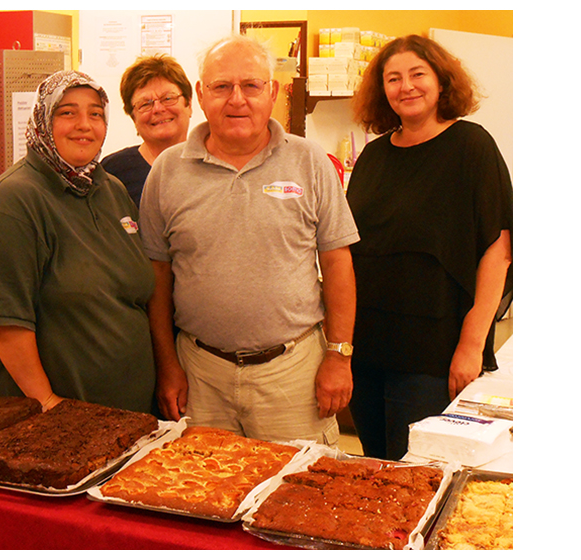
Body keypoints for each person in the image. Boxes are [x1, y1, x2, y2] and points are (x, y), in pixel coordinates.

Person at [138, 35, 360, 445]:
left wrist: (338, 355)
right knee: (202, 495)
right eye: (222, 87)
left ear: (272, 92)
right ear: (202, 95)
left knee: (298, 498)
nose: (236, 99)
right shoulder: (168, 171)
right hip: (200, 375)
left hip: (293, 374)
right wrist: (167, 365)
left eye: (251, 85)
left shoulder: (309, 161)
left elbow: (337, 262)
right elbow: (157, 276)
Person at [346, 34, 513, 460]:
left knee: (417, 471)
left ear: (441, 81)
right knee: (372, 465)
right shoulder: (374, 156)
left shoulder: (472, 147)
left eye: (418, 74)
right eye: (393, 78)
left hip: (433, 352)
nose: (407, 86)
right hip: (367, 347)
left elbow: (498, 250)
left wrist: (472, 346)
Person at [0, 70, 156, 414]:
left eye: (95, 113)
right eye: (67, 112)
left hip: (125, 413)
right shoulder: (12, 200)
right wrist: (49, 404)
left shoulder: (109, 189)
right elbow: (5, 320)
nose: (85, 124)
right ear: (42, 121)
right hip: (48, 420)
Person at [101, 55, 193, 207]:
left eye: (168, 98)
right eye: (145, 104)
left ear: (189, 104)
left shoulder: (211, 165)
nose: (158, 109)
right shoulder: (113, 172)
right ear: (133, 118)